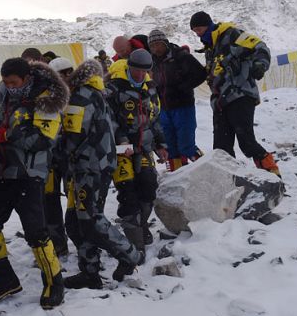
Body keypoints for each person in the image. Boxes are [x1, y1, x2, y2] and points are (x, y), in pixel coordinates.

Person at [0, 57, 69, 309]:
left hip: (31, 175)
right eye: (6, 81)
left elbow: (44, 140)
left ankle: (54, 282)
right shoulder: (2, 91)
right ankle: (3, 277)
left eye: (14, 82)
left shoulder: (46, 98)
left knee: (36, 232)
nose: (9, 86)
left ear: (27, 78)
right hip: (7, 171)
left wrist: (6, 135)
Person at [61, 59, 143, 289]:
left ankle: (129, 255)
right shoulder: (93, 92)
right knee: (78, 221)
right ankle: (89, 271)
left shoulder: (80, 97)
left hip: (90, 166)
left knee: (90, 218)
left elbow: (72, 137)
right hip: (95, 163)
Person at [189, 11, 280, 176]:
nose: (198, 34)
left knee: (246, 142)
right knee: (221, 148)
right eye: (195, 31)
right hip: (219, 102)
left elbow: (260, 46)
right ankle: (230, 181)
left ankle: (272, 174)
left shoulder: (231, 35)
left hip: (240, 94)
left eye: (200, 29)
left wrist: (260, 65)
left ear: (209, 25)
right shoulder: (210, 49)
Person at [106, 49, 168, 253]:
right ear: (128, 66)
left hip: (144, 148)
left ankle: (140, 226)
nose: (140, 75)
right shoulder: (115, 88)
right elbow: (109, 121)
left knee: (149, 189)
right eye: (136, 70)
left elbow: (154, 118)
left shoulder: (150, 88)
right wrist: (123, 142)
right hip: (121, 150)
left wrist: (161, 144)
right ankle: (136, 245)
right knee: (128, 193)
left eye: (145, 71)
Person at [148, 29, 207, 171]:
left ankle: (207, 168)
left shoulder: (181, 56)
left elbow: (201, 73)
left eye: (159, 44)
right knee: (170, 146)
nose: (156, 48)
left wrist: (183, 87)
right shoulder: (152, 62)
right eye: (153, 45)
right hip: (163, 109)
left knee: (186, 145)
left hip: (183, 106)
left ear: (165, 43)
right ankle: (177, 175)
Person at [43, 57, 74, 256]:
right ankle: (57, 242)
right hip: (51, 158)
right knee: (49, 201)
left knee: (74, 200)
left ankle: (81, 239)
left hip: (72, 157)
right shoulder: (46, 96)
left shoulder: (81, 95)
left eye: (67, 73)